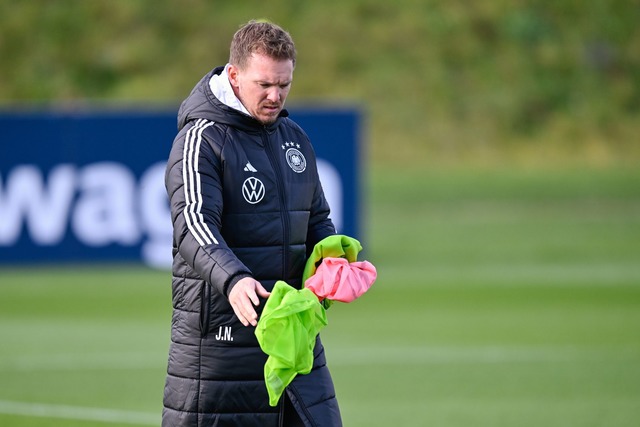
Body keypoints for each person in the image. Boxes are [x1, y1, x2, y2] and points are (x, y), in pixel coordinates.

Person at [162, 20, 342, 426]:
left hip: (293, 338)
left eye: (284, 84)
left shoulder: (295, 138)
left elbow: (316, 219)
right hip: (223, 347)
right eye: (264, 84)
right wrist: (234, 279)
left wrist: (332, 261)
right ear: (234, 75)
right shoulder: (201, 140)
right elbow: (192, 222)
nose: (275, 96)